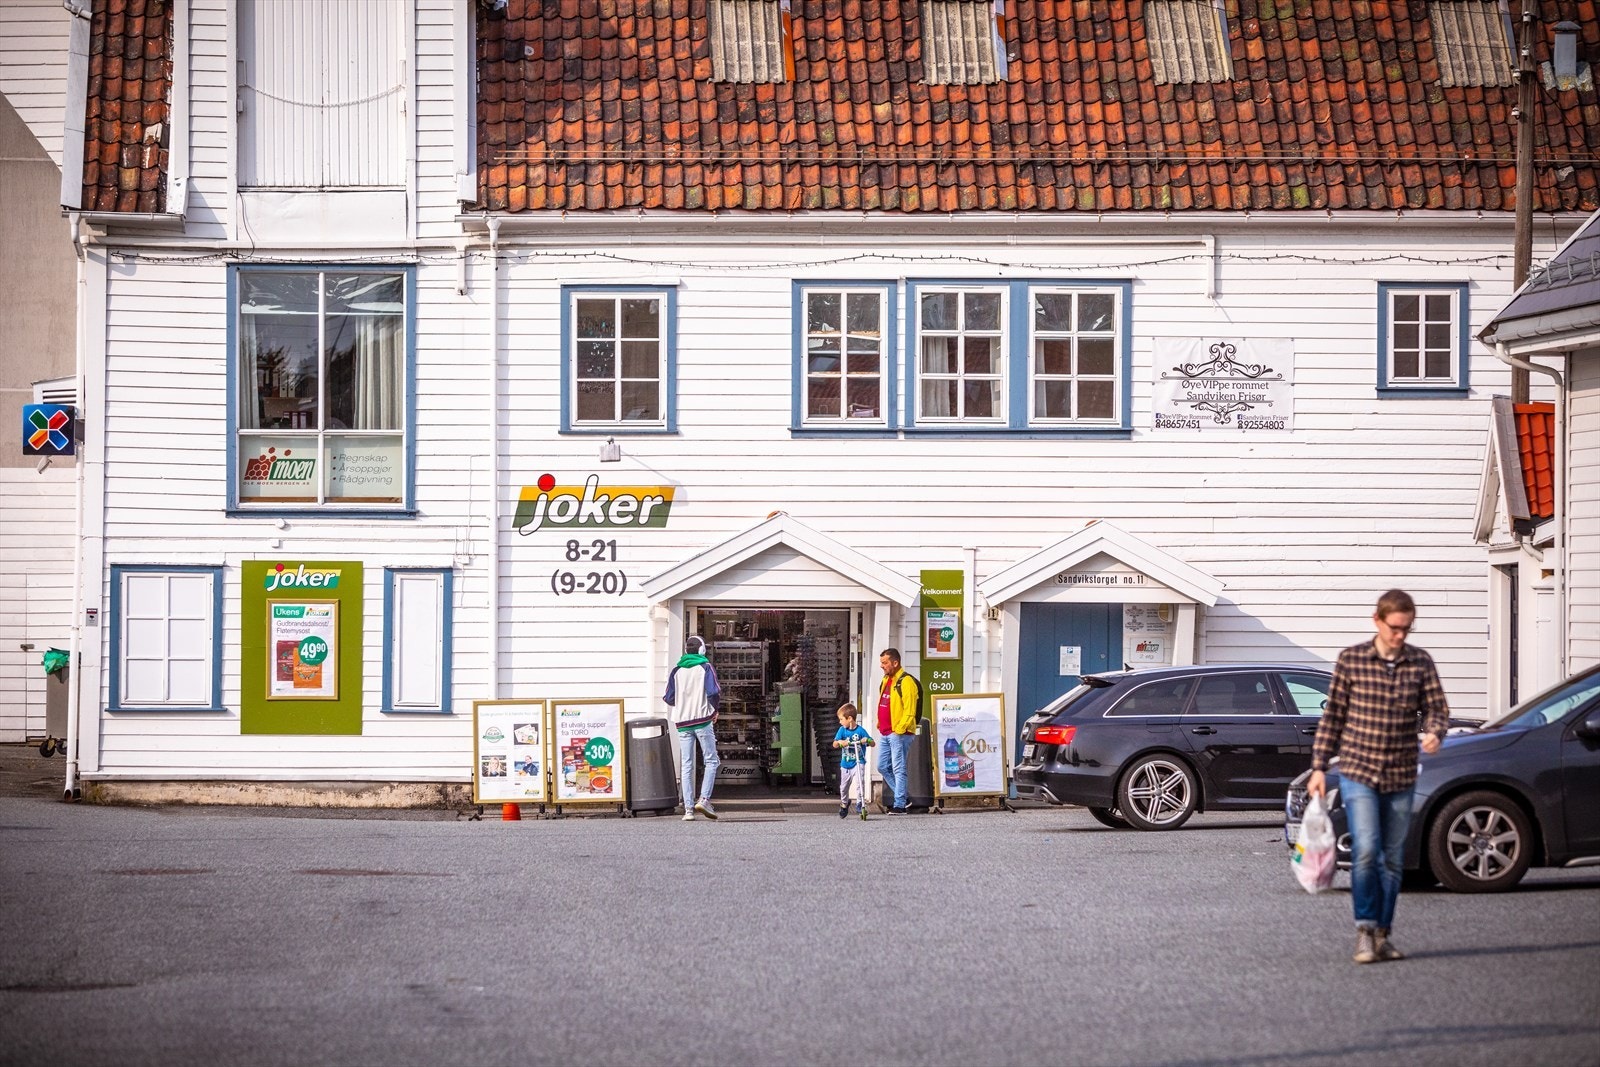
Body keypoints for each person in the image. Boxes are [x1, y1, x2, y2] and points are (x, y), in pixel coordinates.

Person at [1306, 589, 1450, 964]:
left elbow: (1436, 707)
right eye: (1394, 628)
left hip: (1401, 773)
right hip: (1358, 771)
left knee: (1392, 858)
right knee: (1367, 849)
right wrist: (1319, 766)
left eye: (1406, 629)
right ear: (1377, 620)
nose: (1400, 635)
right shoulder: (1352, 660)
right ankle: (1365, 930)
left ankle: (1385, 933)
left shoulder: (1419, 662)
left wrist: (1435, 730)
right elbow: (1333, 716)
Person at [664, 634, 721, 821]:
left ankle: (688, 809)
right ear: (702, 650)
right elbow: (713, 692)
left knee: (687, 765)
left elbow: (669, 698)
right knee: (711, 761)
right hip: (702, 719)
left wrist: (684, 702)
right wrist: (715, 710)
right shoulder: (705, 667)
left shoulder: (676, 671)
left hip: (682, 722)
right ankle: (704, 799)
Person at [874, 648, 922, 815]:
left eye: (885, 662)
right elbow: (884, 702)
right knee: (881, 766)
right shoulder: (887, 679)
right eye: (881, 662)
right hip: (886, 732)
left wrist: (899, 729)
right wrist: (880, 721)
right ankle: (903, 796)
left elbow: (910, 710)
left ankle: (900, 805)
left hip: (899, 733)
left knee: (898, 769)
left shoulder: (906, 681)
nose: (882, 666)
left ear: (895, 662)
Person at [831, 703, 875, 818]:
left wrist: (867, 740)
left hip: (858, 761)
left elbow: (872, 742)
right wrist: (840, 742)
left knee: (860, 783)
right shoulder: (842, 730)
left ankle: (860, 804)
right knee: (843, 787)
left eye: (841, 719)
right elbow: (835, 744)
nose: (840, 722)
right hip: (846, 764)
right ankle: (844, 803)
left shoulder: (860, 731)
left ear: (849, 719)